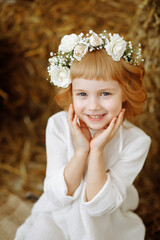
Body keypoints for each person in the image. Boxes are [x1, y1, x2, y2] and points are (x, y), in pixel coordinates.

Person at [15, 30, 151, 240]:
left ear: (124, 92)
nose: (93, 106)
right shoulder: (58, 126)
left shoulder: (137, 141)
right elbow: (57, 197)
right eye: (82, 94)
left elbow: (100, 207)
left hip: (105, 227)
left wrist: (97, 150)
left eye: (105, 93)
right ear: (71, 93)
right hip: (56, 218)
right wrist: (81, 150)